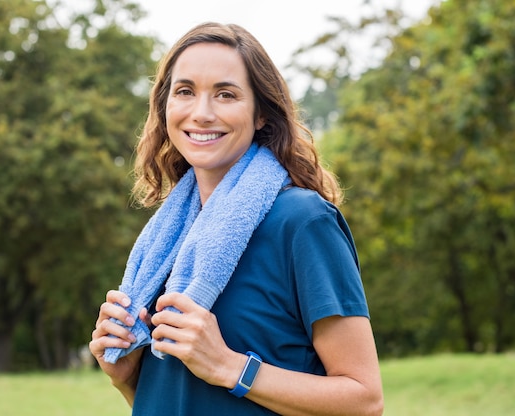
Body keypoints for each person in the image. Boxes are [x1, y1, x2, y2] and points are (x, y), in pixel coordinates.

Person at [89, 22, 384, 415]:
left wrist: (229, 367)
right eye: (185, 91)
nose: (202, 113)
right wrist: (126, 377)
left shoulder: (303, 221)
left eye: (225, 94)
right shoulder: (169, 237)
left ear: (261, 113)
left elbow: (364, 400)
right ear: (165, 106)